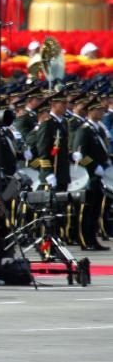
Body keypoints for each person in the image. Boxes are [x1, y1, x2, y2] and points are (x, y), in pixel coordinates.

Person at [73, 100, 111, 250]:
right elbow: (79, 154)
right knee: (86, 210)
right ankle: (84, 240)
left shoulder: (98, 129)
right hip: (89, 175)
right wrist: (94, 166)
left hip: (100, 175)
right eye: (98, 110)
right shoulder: (84, 130)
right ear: (90, 111)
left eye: (101, 110)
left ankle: (93, 240)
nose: (101, 112)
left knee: (95, 209)